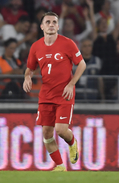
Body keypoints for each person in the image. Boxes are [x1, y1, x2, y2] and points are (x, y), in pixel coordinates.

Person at [23, 11, 86, 172]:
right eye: (48, 22)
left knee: (60, 129)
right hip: (46, 95)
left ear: (58, 26)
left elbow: (82, 64)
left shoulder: (67, 43)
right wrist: (27, 78)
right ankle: (59, 166)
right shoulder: (36, 46)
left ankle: (72, 143)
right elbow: (29, 68)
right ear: (42, 26)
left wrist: (71, 84)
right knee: (46, 133)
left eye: (54, 22)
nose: (51, 24)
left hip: (64, 94)